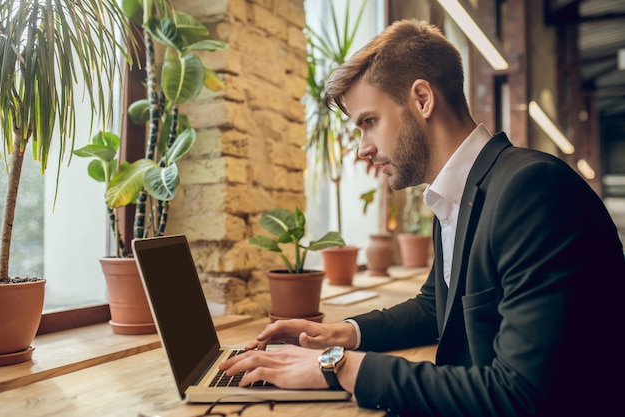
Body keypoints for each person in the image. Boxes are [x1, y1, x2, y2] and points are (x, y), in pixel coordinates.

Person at [220, 19, 625, 416]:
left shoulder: (532, 190)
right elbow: (436, 307)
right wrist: (345, 333)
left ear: (422, 99)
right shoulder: (458, 195)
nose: (363, 147)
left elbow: (520, 394)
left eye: (369, 122)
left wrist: (338, 365)